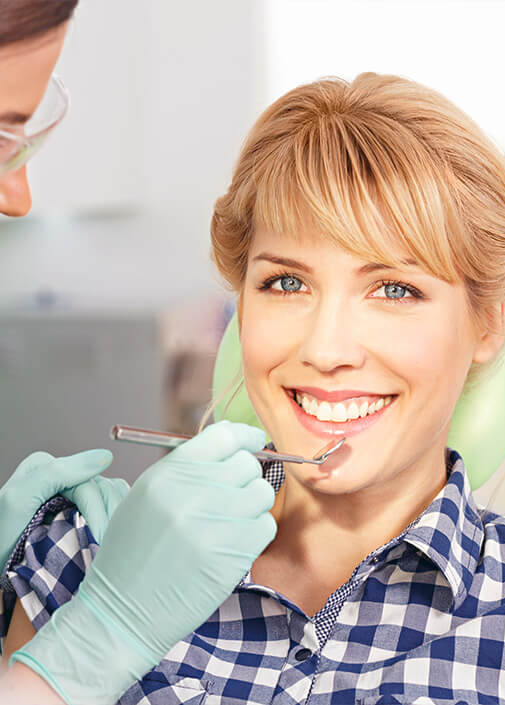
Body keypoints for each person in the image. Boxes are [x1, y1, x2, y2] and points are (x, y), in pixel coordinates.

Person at [3, 71, 505, 704]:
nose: (326, 349)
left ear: (487, 323)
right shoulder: (82, 570)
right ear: (239, 306)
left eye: (394, 289)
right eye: (286, 282)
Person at [0, 3, 278, 703]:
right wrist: (103, 636)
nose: (18, 195)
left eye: (395, 289)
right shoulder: (65, 567)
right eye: (287, 281)